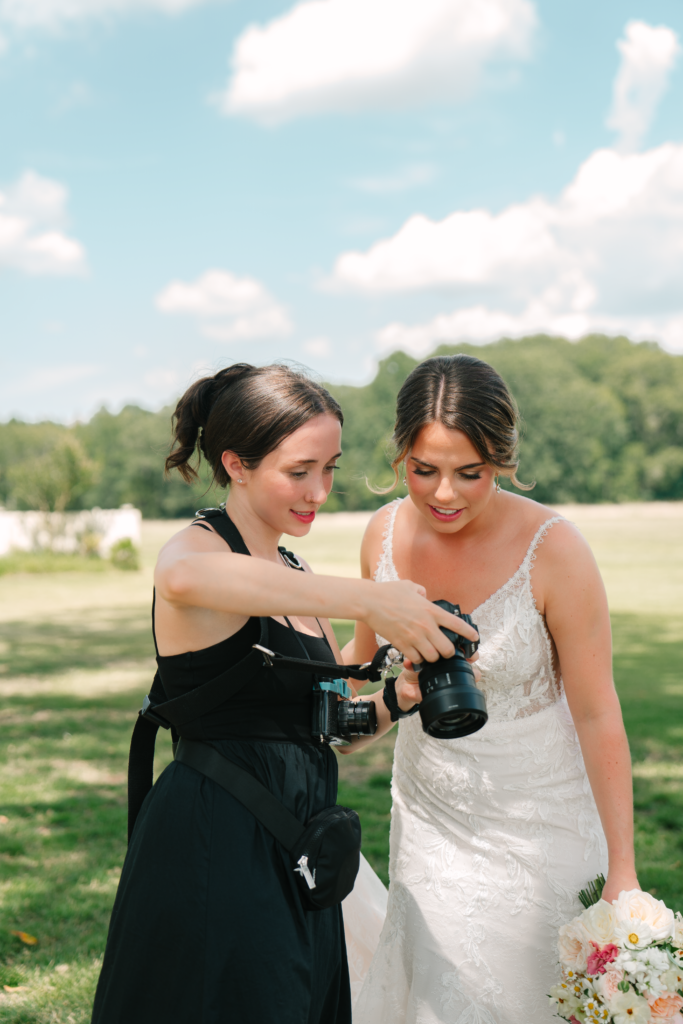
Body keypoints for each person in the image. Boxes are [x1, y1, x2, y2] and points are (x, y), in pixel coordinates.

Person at [91, 362, 477, 1024]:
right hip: (218, 839)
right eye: (298, 471)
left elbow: (332, 729)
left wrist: (399, 699)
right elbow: (179, 578)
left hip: (302, 853)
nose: (318, 490)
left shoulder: (294, 575)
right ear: (236, 463)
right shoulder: (199, 548)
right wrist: (370, 600)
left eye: (328, 468)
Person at [342, 354, 638, 1024]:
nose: (443, 493)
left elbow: (596, 714)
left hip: (542, 828)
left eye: (468, 473)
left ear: (500, 461)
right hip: (428, 823)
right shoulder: (381, 534)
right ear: (399, 459)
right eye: (424, 470)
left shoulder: (554, 550)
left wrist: (622, 870)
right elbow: (357, 674)